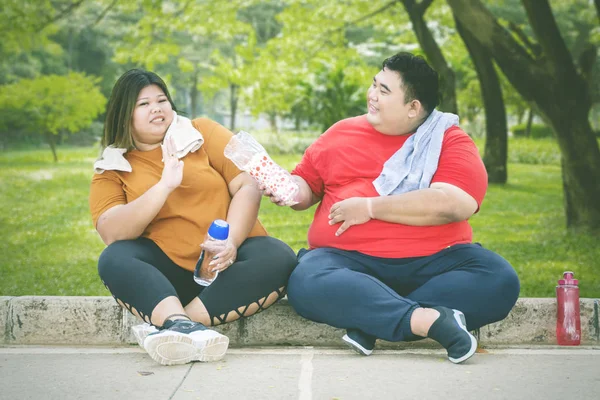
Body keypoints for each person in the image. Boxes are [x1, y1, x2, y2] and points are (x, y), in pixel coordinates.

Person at [263, 52, 520, 364]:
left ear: (413, 107)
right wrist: (288, 191)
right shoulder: (341, 133)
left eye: (384, 91)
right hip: (347, 263)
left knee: (499, 279)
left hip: (435, 264)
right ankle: (426, 320)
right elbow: (307, 186)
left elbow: (454, 203)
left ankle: (371, 318)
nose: (372, 95)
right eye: (374, 85)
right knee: (306, 281)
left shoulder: (449, 141)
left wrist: (370, 207)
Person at [89, 69, 297, 366]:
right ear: (124, 114)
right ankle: (180, 322)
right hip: (168, 279)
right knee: (114, 258)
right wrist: (164, 186)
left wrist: (232, 243)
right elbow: (112, 232)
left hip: (228, 267)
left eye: (161, 100)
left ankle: (180, 326)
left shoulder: (202, 133)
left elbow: (247, 185)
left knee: (278, 256)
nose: (157, 108)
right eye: (143, 104)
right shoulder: (111, 168)